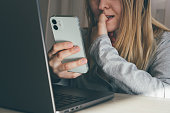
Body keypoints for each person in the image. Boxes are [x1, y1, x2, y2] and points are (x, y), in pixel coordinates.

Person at [48, 0, 170, 98]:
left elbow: (165, 94)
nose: (101, 5)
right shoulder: (79, 39)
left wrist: (103, 51)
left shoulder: (163, 42)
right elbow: (68, 92)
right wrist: (53, 76)